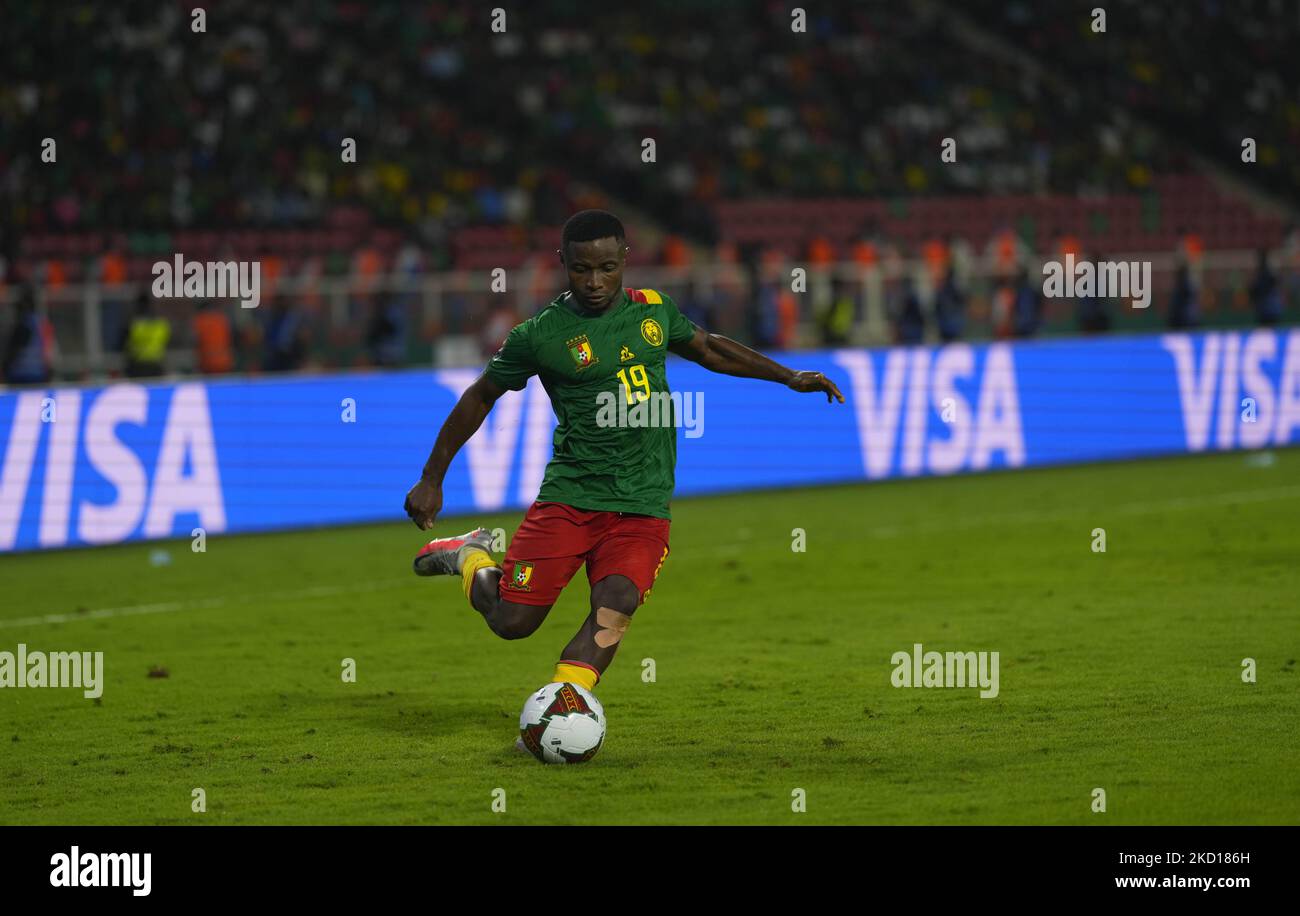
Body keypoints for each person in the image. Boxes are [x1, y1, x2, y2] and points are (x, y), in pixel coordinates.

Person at [402, 210, 844, 747]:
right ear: (562, 263)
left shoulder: (654, 312)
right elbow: (479, 396)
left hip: (642, 506)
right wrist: (432, 477)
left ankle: (552, 723)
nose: (595, 282)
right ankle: (470, 554)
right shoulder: (539, 336)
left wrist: (788, 375)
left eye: (607, 268)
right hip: (570, 500)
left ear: (624, 262)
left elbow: (707, 348)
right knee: (512, 623)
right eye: (582, 269)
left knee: (617, 604)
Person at [3, 285, 55, 384]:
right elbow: (48, 351)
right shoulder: (43, 324)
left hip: (20, 375)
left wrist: (5, 368)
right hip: (39, 374)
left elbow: (13, 351)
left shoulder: (22, 325)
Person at [121, 292, 170, 378]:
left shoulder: (132, 324)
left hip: (137, 366)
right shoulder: (161, 324)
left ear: (137, 305)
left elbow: (122, 344)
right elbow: (168, 344)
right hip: (156, 365)